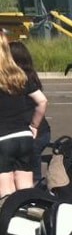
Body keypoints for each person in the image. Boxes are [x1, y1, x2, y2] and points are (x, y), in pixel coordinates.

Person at [0, 35, 46, 197]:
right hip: (24, 136)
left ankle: (9, 219)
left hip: (2, 138)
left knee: (6, 193)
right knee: (26, 189)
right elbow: (42, 101)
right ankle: (29, 216)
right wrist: (34, 125)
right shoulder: (19, 76)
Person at [10, 41, 50, 184]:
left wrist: (33, 126)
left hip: (30, 132)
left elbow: (42, 102)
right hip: (42, 131)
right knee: (32, 170)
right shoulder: (31, 75)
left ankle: (32, 195)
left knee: (27, 173)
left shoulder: (17, 79)